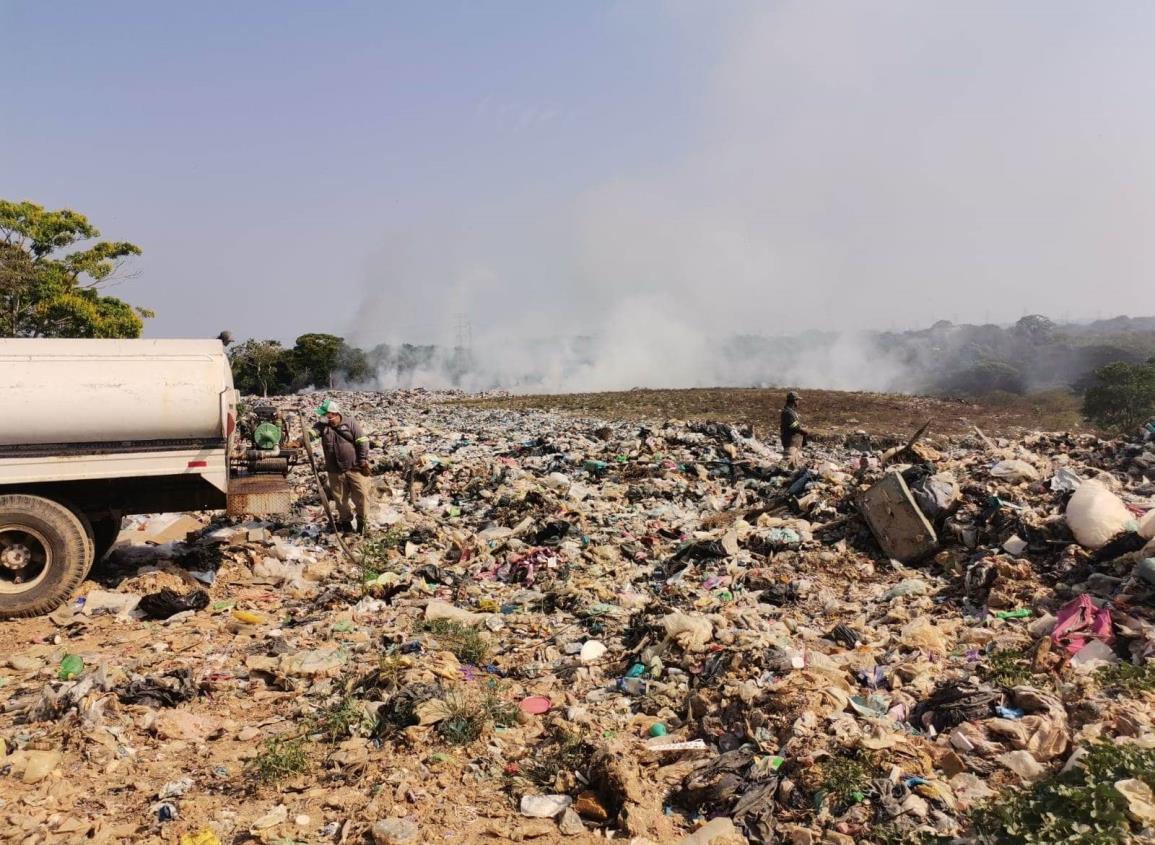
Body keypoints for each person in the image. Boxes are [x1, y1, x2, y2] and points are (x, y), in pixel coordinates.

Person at [311, 398, 372, 534]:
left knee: (362, 496)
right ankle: (347, 525)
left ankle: (363, 524)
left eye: (325, 415)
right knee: (340, 500)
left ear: (333, 414)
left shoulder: (350, 423)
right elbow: (312, 433)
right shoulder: (322, 426)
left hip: (355, 468)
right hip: (335, 471)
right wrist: (301, 439)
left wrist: (362, 460)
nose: (323, 417)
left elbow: (363, 441)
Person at [779, 391, 807, 468]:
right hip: (790, 442)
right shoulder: (788, 413)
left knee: (794, 463)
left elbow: (794, 425)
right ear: (794, 401)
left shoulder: (791, 412)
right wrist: (804, 431)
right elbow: (794, 427)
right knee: (786, 461)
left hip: (794, 442)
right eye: (798, 400)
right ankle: (774, 473)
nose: (798, 402)